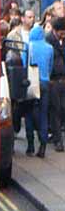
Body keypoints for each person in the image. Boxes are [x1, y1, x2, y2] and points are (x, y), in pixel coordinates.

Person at [23, 26, 54, 157]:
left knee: (29, 113)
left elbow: (25, 65)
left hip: (32, 83)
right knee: (43, 114)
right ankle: (43, 145)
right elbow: (50, 67)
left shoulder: (28, 46)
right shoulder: (49, 48)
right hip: (45, 83)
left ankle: (30, 145)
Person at [47, 16, 65, 152]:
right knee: (56, 110)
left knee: (62, 110)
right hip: (53, 81)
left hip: (63, 80)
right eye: (61, 32)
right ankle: (58, 140)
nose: (63, 35)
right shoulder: (48, 41)